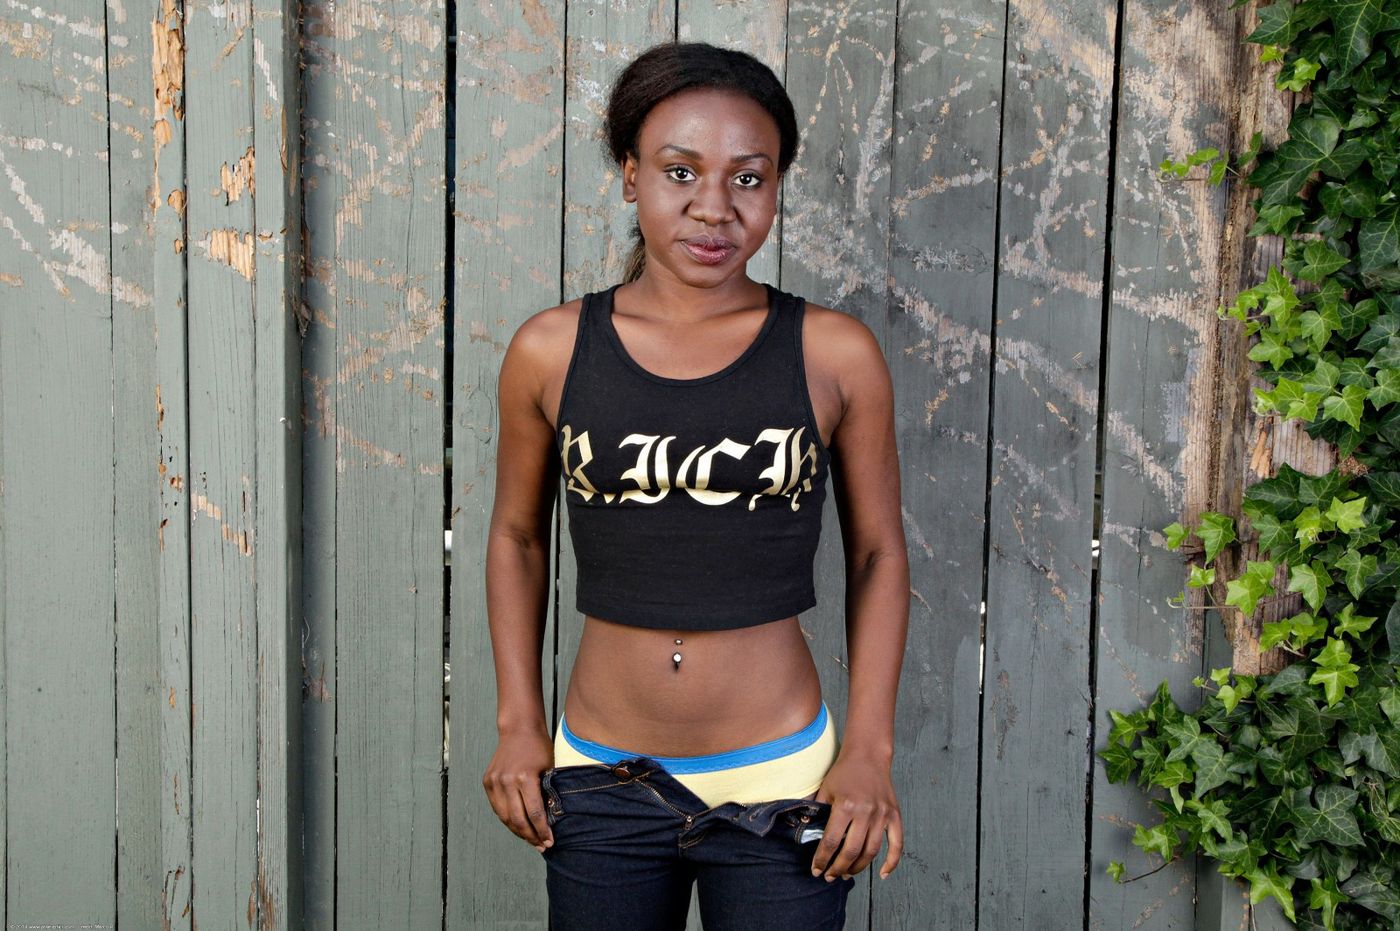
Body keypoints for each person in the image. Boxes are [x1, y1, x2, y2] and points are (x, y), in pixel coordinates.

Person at [482, 40, 910, 930]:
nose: (714, 207)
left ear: (777, 186)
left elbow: (877, 554)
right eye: (680, 171)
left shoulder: (834, 353)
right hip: (599, 778)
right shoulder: (550, 350)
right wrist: (518, 722)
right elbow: (517, 536)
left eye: (749, 178)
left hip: (783, 780)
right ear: (630, 174)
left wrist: (869, 749)